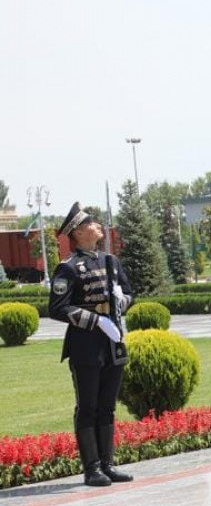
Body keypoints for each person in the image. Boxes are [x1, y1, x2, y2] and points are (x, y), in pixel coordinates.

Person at [49, 202, 134, 488]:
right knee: (88, 405)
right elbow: (58, 307)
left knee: (107, 406)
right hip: (86, 344)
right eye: (91, 223)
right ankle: (92, 468)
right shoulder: (68, 268)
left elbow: (129, 293)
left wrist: (122, 300)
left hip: (112, 342)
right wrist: (95, 321)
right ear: (79, 232)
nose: (98, 225)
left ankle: (108, 464)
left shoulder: (111, 261)